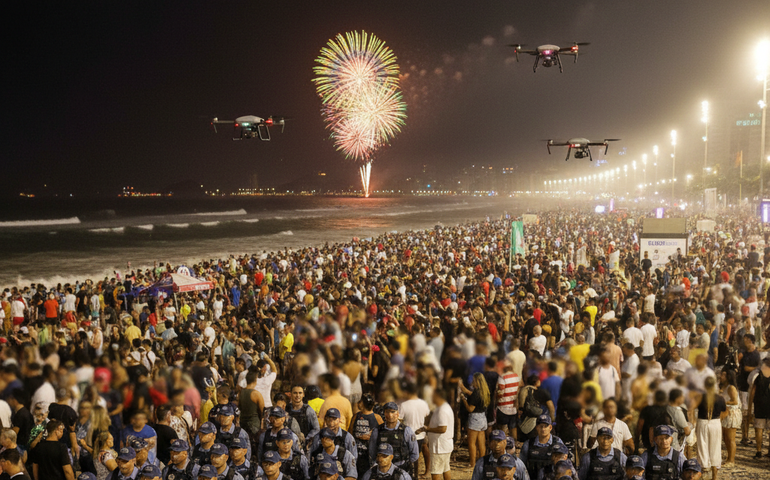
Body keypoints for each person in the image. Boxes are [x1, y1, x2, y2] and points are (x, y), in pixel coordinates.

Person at [368, 402, 418, 475]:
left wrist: (404, 466)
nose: (390, 415)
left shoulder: (406, 431)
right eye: (387, 412)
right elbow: (372, 452)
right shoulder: (377, 431)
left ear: (398, 413)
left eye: (393, 412)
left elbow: (414, 454)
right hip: (383, 471)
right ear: (384, 413)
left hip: (401, 469)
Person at [417, 390, 452, 480]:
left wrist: (427, 429)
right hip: (445, 446)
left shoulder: (442, 410)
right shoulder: (445, 407)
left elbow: (443, 428)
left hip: (439, 447)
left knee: (436, 472)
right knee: (446, 469)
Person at [694, 377, 725, 480]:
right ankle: (714, 477)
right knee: (715, 448)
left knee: (702, 447)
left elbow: (692, 408)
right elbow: (724, 411)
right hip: (715, 423)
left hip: (703, 422)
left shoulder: (700, 397)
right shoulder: (720, 398)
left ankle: (702, 473)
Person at [398, 384, 430, 480]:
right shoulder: (423, 404)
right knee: (418, 456)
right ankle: (423, 473)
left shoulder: (403, 405)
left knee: (409, 458)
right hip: (421, 434)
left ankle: (410, 476)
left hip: (408, 435)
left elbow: (399, 420)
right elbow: (427, 416)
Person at [519, 415, 566, 480]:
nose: (543, 429)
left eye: (546, 426)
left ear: (550, 427)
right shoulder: (528, 444)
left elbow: (563, 465)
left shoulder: (558, 442)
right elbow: (522, 467)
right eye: (541, 426)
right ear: (536, 427)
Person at [459, 373, 491, 467]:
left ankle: (472, 464)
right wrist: (461, 385)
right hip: (482, 418)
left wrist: (464, 399)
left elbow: (470, 409)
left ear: (477, 381)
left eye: (473, 380)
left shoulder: (476, 393)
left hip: (475, 419)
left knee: (472, 443)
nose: (472, 381)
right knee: (481, 443)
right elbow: (470, 393)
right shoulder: (484, 392)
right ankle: (482, 463)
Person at [351, 395, 381, 475]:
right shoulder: (356, 416)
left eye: (360, 402)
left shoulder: (377, 417)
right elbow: (350, 434)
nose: (358, 403)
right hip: (357, 453)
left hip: (370, 454)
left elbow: (382, 434)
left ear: (363, 404)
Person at [748, 357, 770, 458]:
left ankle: (759, 451)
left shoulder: (758, 378)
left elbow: (752, 393)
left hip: (759, 406)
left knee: (759, 429)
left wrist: (749, 408)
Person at [718, 370, 740, 466]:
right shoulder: (722, 387)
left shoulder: (731, 388)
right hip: (724, 413)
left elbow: (735, 401)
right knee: (725, 438)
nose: (721, 376)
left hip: (731, 413)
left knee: (730, 438)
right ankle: (728, 458)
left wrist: (723, 402)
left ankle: (731, 460)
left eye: (723, 374)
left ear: (728, 377)